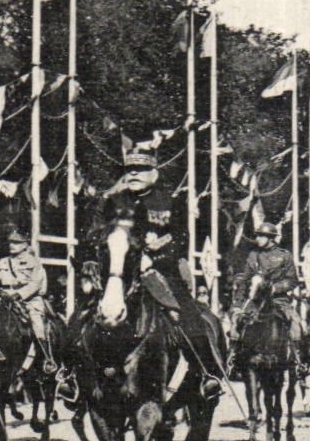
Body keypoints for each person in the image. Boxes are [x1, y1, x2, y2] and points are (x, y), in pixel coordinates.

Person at [94, 146, 223, 399]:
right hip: (118, 271)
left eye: (141, 170)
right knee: (85, 315)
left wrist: (154, 254)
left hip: (161, 270)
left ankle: (207, 374)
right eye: (129, 170)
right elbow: (96, 233)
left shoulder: (170, 201)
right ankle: (69, 374)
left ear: (154, 173)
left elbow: (182, 238)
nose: (134, 174)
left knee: (189, 316)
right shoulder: (112, 202)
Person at [0, 227, 53, 369]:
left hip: (28, 300)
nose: (12, 245)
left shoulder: (33, 262)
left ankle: (46, 359)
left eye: (16, 242)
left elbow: (36, 283)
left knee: (37, 323)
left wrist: (20, 294)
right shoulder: (3, 262)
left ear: (25, 245)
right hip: (5, 298)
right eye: (10, 242)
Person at [232, 223, 302, 342]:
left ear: (270, 238)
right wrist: (238, 304)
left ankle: (296, 357)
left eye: (261, 236)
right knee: (236, 325)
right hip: (255, 300)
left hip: (279, 300)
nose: (257, 239)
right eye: (257, 235)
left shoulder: (284, 255)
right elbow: (245, 281)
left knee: (297, 328)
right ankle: (233, 355)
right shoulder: (253, 255)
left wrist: (275, 287)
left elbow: (292, 280)